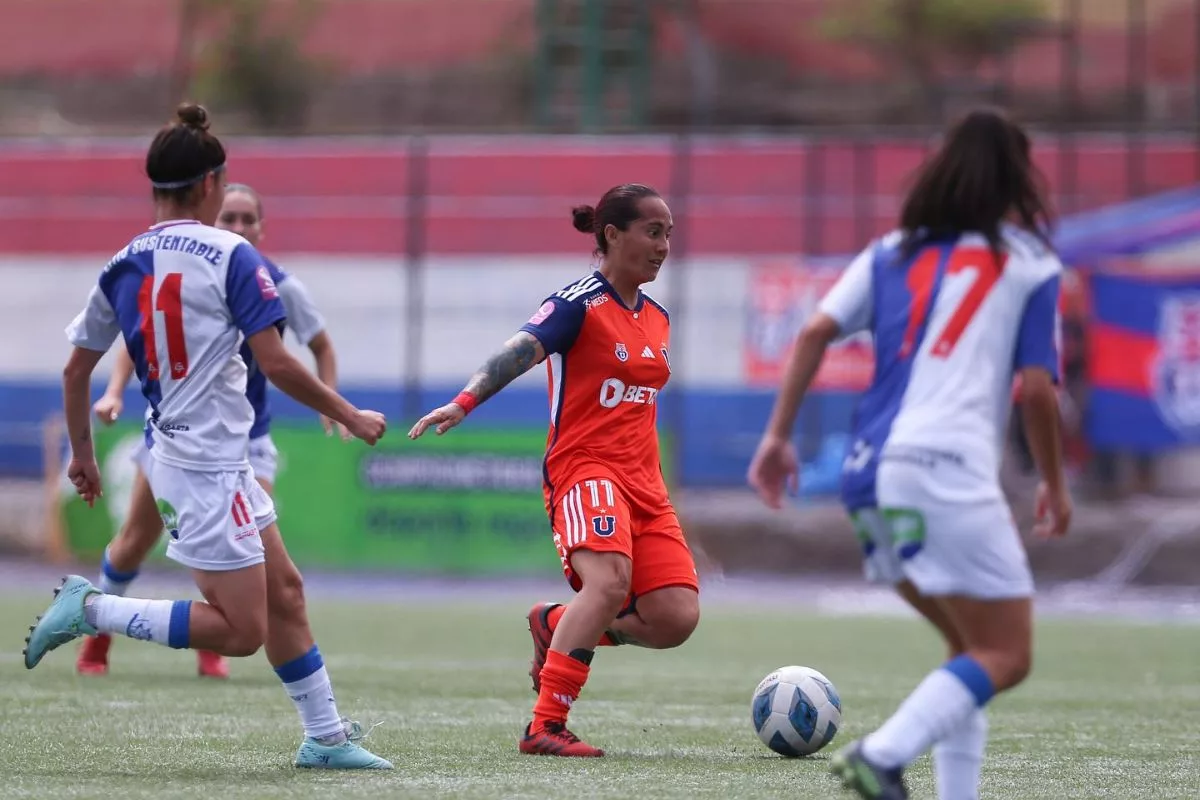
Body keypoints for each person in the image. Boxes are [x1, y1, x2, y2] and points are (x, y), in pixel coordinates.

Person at [23, 103, 393, 771]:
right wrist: (352, 413)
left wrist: (83, 456)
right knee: (243, 630)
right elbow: (278, 363)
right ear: (210, 185)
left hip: (197, 457)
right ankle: (94, 609)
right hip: (204, 468)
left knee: (286, 593)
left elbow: (76, 369)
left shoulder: (124, 261)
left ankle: (326, 737)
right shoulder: (231, 255)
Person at [747, 107, 1072, 800]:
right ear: (1017, 177)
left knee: (969, 653)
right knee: (1008, 653)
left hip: (870, 475)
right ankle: (882, 754)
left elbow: (813, 332)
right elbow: (1039, 392)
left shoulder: (890, 252)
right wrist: (1054, 481)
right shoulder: (1030, 262)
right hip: (948, 470)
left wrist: (777, 437)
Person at [409, 183, 701, 758]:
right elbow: (517, 349)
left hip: (646, 486)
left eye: (668, 234)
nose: (664, 246)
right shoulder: (577, 304)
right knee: (609, 583)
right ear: (612, 235)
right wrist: (464, 401)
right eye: (652, 232)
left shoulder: (658, 318)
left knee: (674, 619)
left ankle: (556, 623)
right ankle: (545, 726)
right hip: (585, 470)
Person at [75, 183, 344, 679]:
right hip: (176, 440)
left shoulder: (279, 284)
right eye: (228, 218)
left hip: (247, 444)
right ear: (210, 218)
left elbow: (320, 346)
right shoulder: (191, 272)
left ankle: (221, 645)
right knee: (134, 541)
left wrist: (330, 401)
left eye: (247, 219)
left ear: (262, 227)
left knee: (260, 565)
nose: (238, 227)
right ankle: (97, 629)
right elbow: (134, 339)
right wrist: (113, 391)